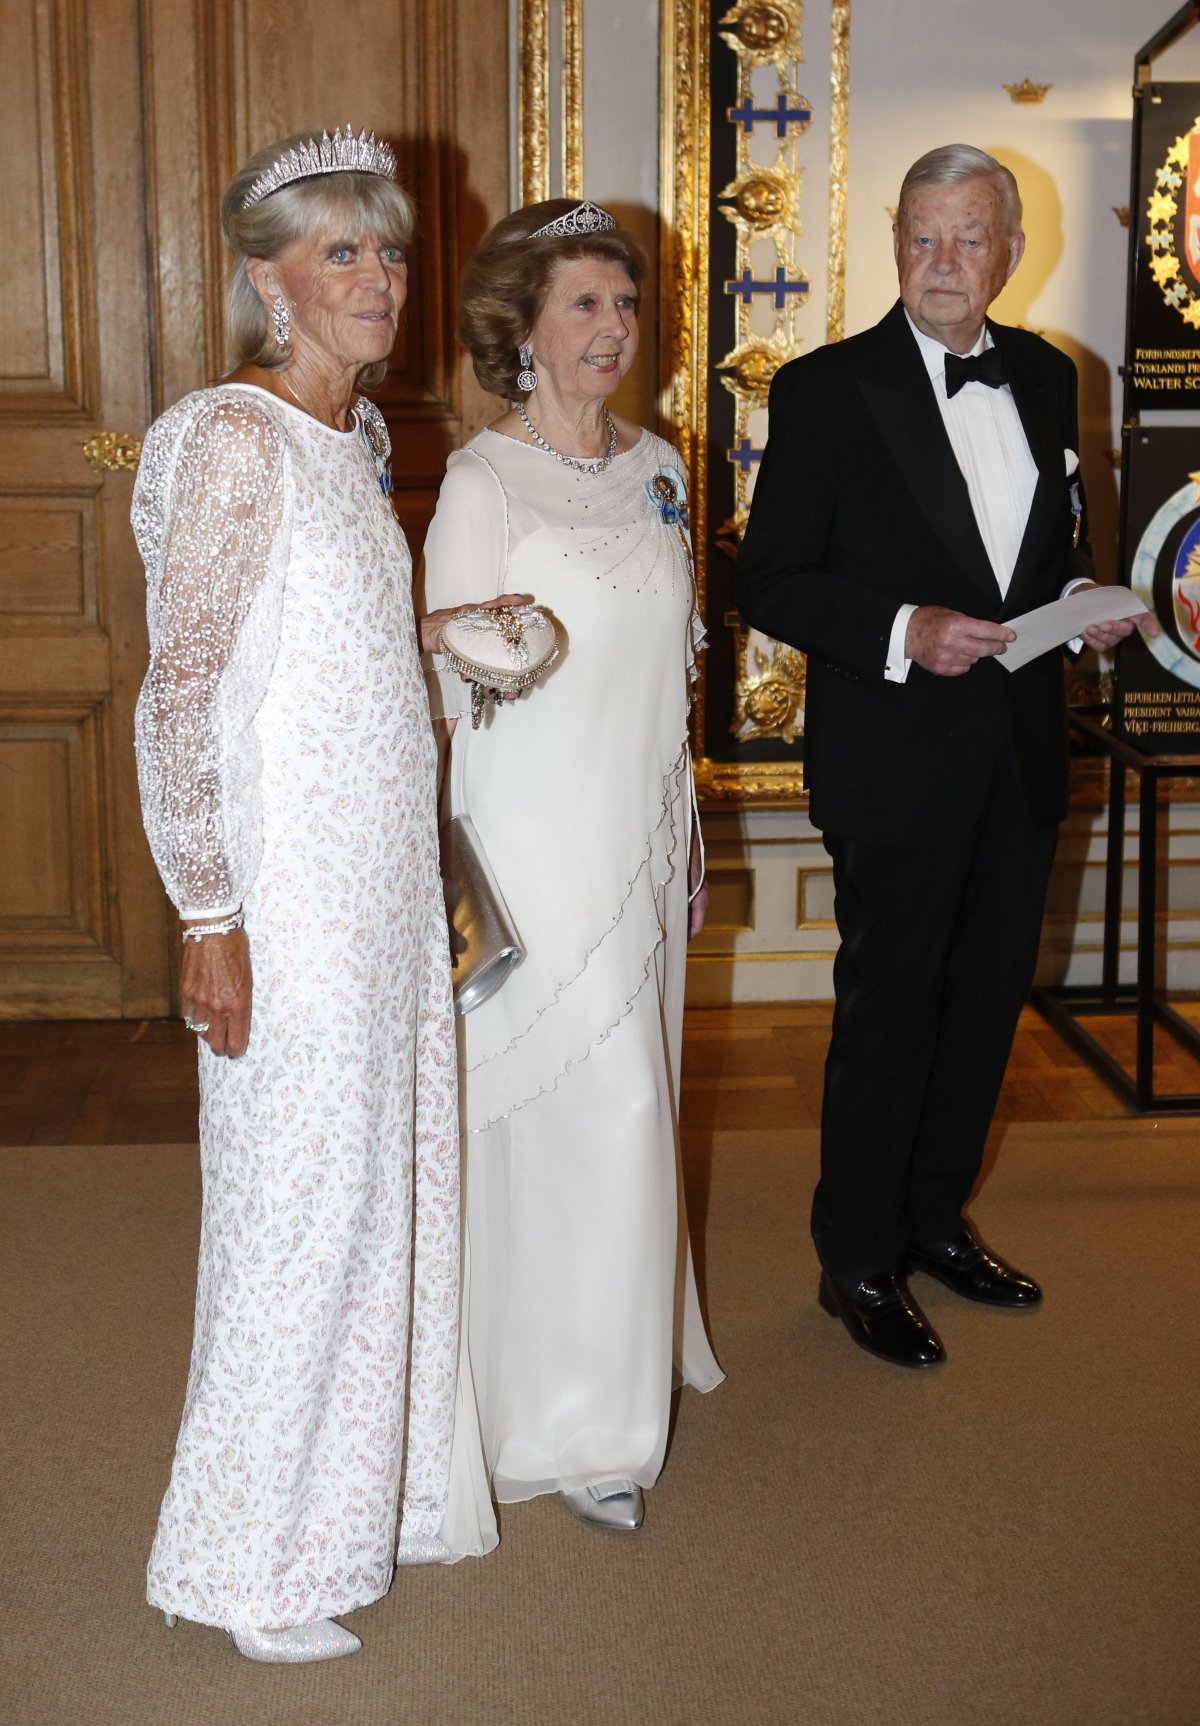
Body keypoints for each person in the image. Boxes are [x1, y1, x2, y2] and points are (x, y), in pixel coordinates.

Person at [133, 126, 473, 1662]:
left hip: (383, 895)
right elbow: (182, 698)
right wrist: (209, 913)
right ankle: (243, 1561)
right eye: (342, 251)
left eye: (389, 250)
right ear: (268, 280)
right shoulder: (227, 437)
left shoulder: (359, 441)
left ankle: (338, 1519)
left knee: (376, 1204)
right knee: (295, 1217)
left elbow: (330, 664)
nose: (380, 279)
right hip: (289, 908)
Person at [737, 145, 1153, 1369]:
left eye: (970, 237)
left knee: (983, 1012)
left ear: (1010, 253)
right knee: (890, 1016)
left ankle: (934, 1224)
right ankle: (855, 1258)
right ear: (895, 241)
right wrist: (902, 630)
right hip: (895, 761)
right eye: (922, 234)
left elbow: (1048, 551)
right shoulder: (824, 388)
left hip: (1020, 759)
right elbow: (767, 580)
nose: (943, 261)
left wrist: (1085, 597)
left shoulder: (1044, 371)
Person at [421, 197, 723, 1542]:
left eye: (623, 302)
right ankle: (559, 1416)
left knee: (627, 1111)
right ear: (523, 331)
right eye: (582, 304)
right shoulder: (482, 480)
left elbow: (684, 664)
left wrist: (693, 828)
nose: (611, 327)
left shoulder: (663, 461)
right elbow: (439, 670)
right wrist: (484, 643)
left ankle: (606, 1395)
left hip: (639, 836)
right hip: (530, 841)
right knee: (555, 1117)